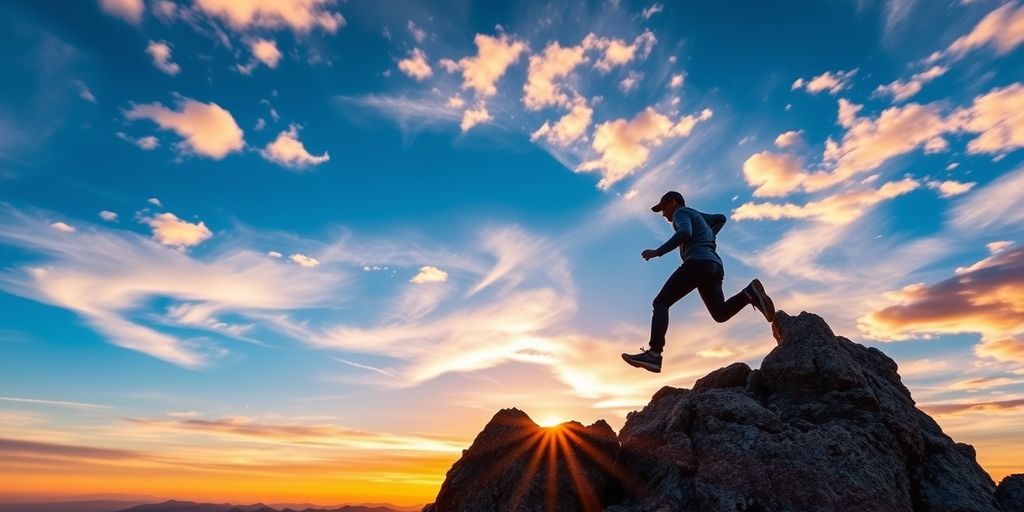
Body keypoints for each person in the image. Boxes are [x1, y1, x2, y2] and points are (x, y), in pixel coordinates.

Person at [621, 191, 775, 373]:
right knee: (720, 313)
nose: (664, 214)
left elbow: (685, 232)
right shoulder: (696, 215)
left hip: (698, 262)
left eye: (664, 208)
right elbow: (720, 218)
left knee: (661, 302)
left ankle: (654, 354)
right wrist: (710, 235)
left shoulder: (681, 213)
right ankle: (748, 293)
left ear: (674, 202)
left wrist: (658, 251)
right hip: (715, 265)